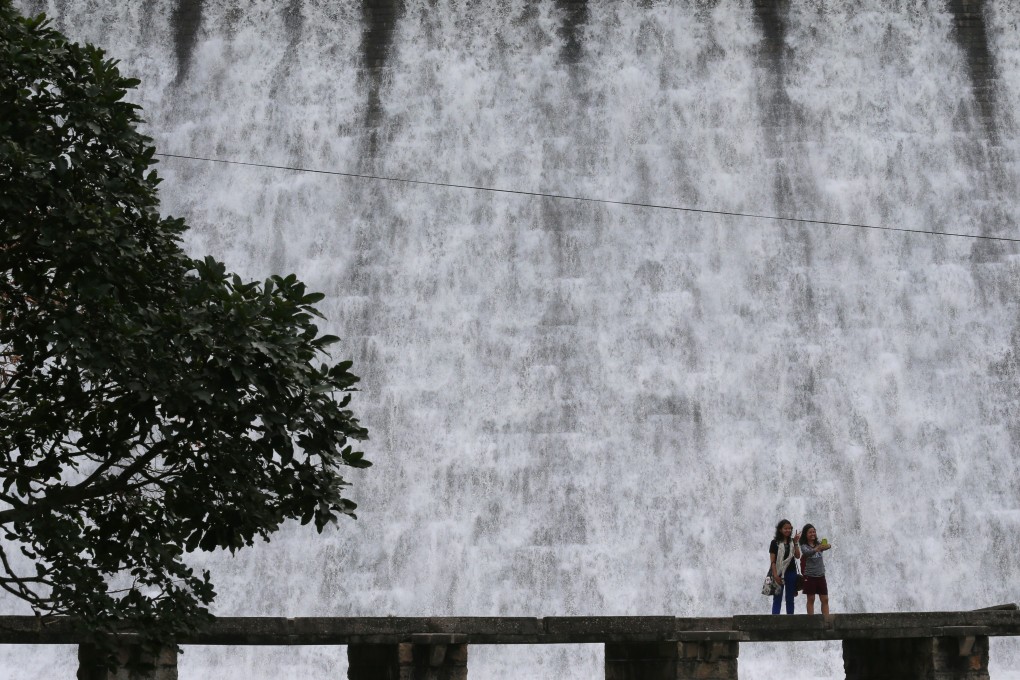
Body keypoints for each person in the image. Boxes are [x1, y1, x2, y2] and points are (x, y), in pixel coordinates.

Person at [769, 519, 800, 615]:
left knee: (790, 598)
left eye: (789, 528)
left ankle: (790, 619)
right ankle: (775, 619)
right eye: (785, 528)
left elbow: (798, 556)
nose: (788, 530)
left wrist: (796, 542)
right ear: (780, 529)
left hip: (791, 572)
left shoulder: (792, 542)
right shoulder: (774, 542)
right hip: (778, 572)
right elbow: (773, 561)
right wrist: (775, 575)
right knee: (777, 598)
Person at [799, 523, 832, 615]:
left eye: (814, 532)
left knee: (825, 599)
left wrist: (827, 546)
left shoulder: (818, 544)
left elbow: (828, 546)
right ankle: (811, 620)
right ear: (805, 534)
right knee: (811, 599)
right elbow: (807, 553)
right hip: (809, 576)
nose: (813, 534)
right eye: (810, 532)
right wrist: (816, 549)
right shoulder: (804, 546)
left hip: (821, 575)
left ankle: (826, 619)